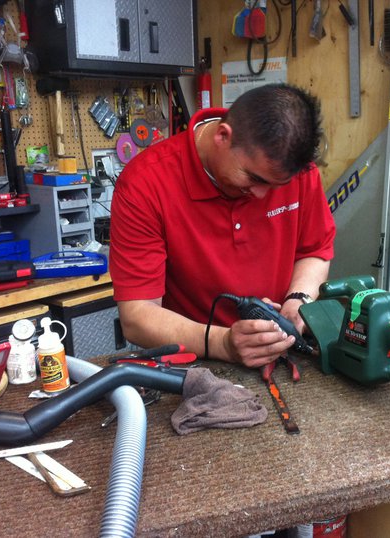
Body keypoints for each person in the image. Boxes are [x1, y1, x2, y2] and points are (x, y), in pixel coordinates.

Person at [109, 83, 336, 369]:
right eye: (254, 178)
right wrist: (222, 343)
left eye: (276, 185)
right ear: (222, 136)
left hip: (279, 354)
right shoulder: (145, 184)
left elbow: (315, 250)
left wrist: (298, 300)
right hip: (195, 363)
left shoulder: (296, 170)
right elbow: (136, 316)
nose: (261, 195)